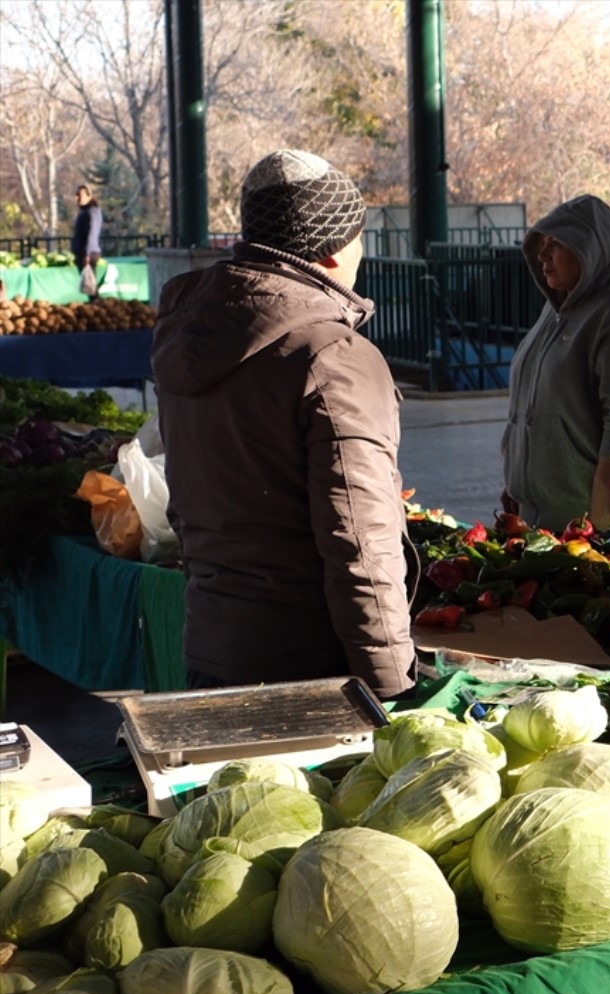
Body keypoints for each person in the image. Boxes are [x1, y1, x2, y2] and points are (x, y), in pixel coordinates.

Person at [153, 149, 417, 698]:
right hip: (310, 669)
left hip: (213, 645)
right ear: (331, 250)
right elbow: (361, 546)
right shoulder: (334, 355)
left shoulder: (190, 333)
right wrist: (391, 687)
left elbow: (183, 507)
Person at [502, 195, 610, 532]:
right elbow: (526, 403)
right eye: (541, 244)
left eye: (557, 244)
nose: (543, 256)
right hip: (538, 516)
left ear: (592, 252)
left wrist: (603, 491)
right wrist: (516, 474)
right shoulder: (554, 311)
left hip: (588, 521)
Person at [71, 184, 102, 297]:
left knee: (91, 284)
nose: (77, 198)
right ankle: (95, 306)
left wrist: (87, 254)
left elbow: (92, 233)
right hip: (83, 252)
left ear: (89, 196)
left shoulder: (92, 212)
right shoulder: (85, 212)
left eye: (80, 195)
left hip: (89, 253)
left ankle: (97, 307)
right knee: (88, 284)